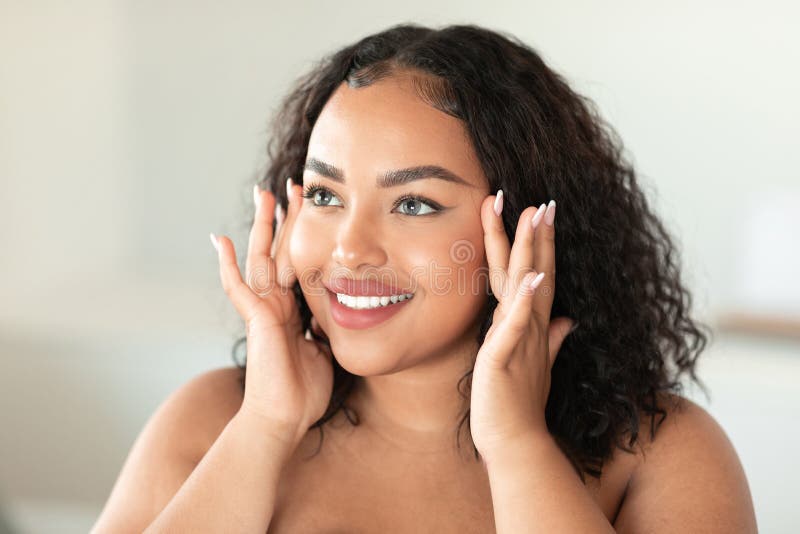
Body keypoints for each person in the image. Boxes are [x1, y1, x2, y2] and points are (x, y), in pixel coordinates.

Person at [92, 23, 757, 533]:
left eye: (413, 204)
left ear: (528, 227)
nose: (350, 251)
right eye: (325, 196)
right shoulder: (211, 422)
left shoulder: (660, 453)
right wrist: (264, 426)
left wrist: (518, 444)